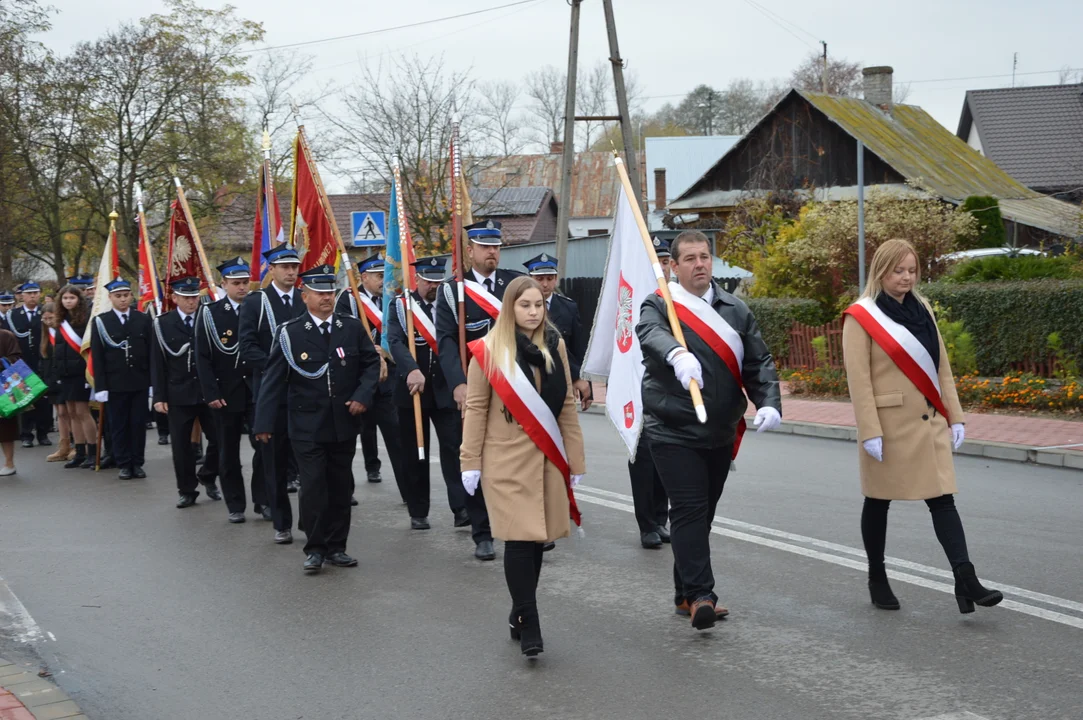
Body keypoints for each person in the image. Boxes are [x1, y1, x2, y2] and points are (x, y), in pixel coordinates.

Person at [842, 238, 1002, 614]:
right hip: (888, 426)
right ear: (881, 271)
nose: (906, 278)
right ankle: (877, 576)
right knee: (878, 501)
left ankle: (966, 578)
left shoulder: (923, 308)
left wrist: (956, 415)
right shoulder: (860, 316)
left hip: (929, 421)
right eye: (898, 271)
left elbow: (941, 366)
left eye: (912, 270)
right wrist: (869, 430)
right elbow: (859, 379)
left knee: (943, 499)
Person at [637, 230, 783, 631]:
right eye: (690, 258)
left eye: (705, 257)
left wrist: (769, 401)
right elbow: (650, 334)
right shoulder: (660, 304)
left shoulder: (734, 309)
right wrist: (676, 353)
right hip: (672, 428)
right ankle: (702, 596)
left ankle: (684, 591)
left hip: (719, 430)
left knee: (703, 515)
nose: (700, 264)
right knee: (688, 509)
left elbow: (758, 362)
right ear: (674, 265)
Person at [460, 276, 586, 657]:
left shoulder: (555, 344)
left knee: (536, 541)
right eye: (524, 305)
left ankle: (518, 610)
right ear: (510, 308)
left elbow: (564, 404)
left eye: (538, 305)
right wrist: (470, 461)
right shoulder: (488, 349)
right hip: (505, 459)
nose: (533, 312)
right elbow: (477, 407)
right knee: (518, 538)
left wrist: (575, 459)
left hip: (546, 456)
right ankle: (530, 623)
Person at [254, 264, 381, 574]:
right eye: (320, 293)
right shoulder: (291, 332)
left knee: (340, 486)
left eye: (330, 292)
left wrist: (363, 396)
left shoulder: (349, 327)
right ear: (304, 295)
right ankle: (314, 548)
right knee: (312, 487)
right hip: (306, 425)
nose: (326, 298)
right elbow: (272, 380)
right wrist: (264, 423)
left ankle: (338, 546)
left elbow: (370, 364)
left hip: (343, 422)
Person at [435, 219, 523, 561]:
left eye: (496, 246)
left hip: (514, 387)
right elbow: (445, 340)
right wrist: (458, 383)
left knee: (516, 460)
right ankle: (482, 532)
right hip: (475, 388)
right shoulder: (452, 291)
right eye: (485, 247)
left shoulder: (515, 283)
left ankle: (520, 526)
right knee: (474, 459)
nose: (492, 252)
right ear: (469, 251)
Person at [386, 257, 469, 530]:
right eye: (428, 281)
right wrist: (410, 368)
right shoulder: (401, 306)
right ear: (417, 279)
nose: (433, 286)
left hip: (445, 389)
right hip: (413, 391)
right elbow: (396, 342)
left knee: (454, 448)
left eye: (437, 281)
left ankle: (461, 508)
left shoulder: (450, 305)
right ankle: (418, 510)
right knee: (416, 452)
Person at [238, 244, 307, 544]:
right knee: (275, 462)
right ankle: (281, 522)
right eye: (285, 267)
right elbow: (247, 345)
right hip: (272, 393)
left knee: (308, 463)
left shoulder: (307, 299)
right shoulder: (256, 302)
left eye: (295, 266)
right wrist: (278, 367)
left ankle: (311, 520)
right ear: (272, 270)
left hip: (306, 393)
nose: (291, 272)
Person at [195, 258, 267, 523]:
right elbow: (202, 357)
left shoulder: (259, 308)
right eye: (235, 283)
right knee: (228, 451)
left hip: (256, 389)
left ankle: (264, 500)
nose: (241, 288)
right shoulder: (210, 313)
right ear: (223, 284)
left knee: (263, 447)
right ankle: (235, 504)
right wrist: (211, 392)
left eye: (245, 282)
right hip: (226, 393)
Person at [335, 253, 404, 499]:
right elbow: (342, 334)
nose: (382, 280)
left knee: (396, 437)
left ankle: (409, 492)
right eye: (377, 275)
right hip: (357, 379)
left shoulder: (392, 299)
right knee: (348, 439)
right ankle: (345, 490)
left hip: (389, 379)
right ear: (363, 277)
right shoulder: (348, 299)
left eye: (383, 275)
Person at [151, 276, 223, 508]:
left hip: (207, 391)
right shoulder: (163, 323)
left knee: (220, 440)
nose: (192, 302)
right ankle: (187, 490)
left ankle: (208, 475)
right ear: (175, 298)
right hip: (178, 392)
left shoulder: (208, 318)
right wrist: (159, 396)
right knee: (181, 447)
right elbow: (158, 363)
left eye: (194, 297)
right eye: (186, 297)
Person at [629, 237, 673, 550]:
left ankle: (660, 518)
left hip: (673, 392)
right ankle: (647, 525)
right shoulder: (637, 299)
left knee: (668, 458)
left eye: (666, 260)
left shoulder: (682, 298)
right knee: (643, 458)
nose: (663, 266)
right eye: (657, 260)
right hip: (640, 386)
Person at [90, 277, 153, 480]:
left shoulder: (142, 319)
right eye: (118, 296)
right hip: (114, 382)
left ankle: (137, 462)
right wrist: (100, 386)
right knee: (118, 425)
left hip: (139, 381)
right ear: (110, 298)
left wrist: (153, 382)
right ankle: (124, 463)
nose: (123, 300)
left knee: (138, 424)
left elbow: (151, 352)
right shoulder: (101, 321)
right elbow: (98, 357)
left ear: (131, 296)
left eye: (126, 295)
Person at [51, 286, 98, 469]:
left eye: (72, 298)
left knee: (82, 412)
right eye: (65, 298)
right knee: (71, 413)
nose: (68, 301)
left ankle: (92, 451)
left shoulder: (85, 319)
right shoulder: (61, 321)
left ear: (79, 299)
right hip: (65, 373)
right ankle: (79, 452)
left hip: (80, 372)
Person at [9, 281, 52, 447]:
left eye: (35, 293)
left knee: (43, 400)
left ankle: (43, 433)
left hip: (42, 361)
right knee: (25, 400)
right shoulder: (13, 315)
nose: (33, 296)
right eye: (29, 293)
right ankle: (26, 434)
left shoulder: (45, 312)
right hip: (22, 363)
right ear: (22, 295)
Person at [40, 303, 73, 463]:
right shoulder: (46, 334)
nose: (47, 321)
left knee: (70, 412)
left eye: (50, 318)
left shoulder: (63, 332)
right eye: (44, 318)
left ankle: (76, 444)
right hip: (51, 379)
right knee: (60, 413)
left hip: (64, 377)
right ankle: (63, 446)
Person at [0, 327, 21, 476]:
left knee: (5, 426)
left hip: (4, 386)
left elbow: (16, 358)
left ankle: (9, 462)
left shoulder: (6, 336)